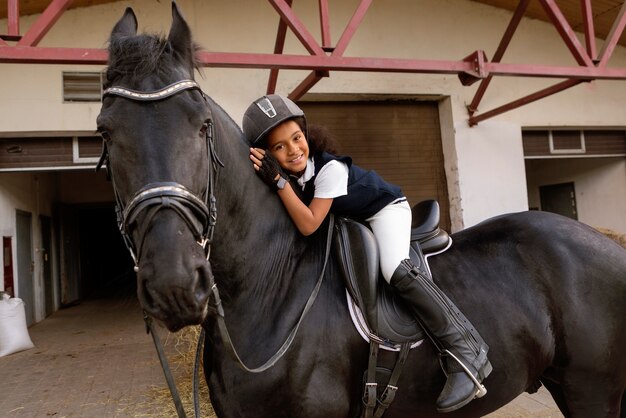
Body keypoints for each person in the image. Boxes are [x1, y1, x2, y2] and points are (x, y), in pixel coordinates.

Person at [243, 94, 492, 413]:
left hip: (386, 210)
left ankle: (466, 351)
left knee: (393, 269)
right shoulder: (294, 178)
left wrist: (277, 181)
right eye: (280, 147)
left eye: (297, 138)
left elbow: (309, 224)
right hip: (357, 220)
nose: (293, 150)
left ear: (306, 134)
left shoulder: (328, 169)